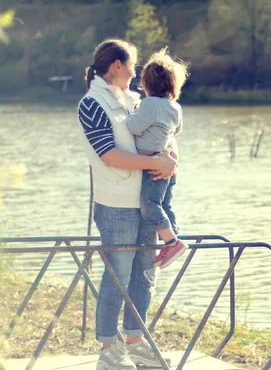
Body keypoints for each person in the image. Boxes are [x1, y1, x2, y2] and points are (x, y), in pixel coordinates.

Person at [77, 39, 176, 370]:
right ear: (116, 66)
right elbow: (110, 155)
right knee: (117, 276)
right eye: (132, 65)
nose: (135, 73)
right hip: (116, 206)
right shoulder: (91, 104)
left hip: (146, 204)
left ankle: (135, 343)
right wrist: (154, 164)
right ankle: (108, 349)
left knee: (144, 274)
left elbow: (164, 139)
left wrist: (171, 159)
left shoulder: (135, 100)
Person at [126, 48, 189, 270]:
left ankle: (172, 242)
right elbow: (177, 131)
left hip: (153, 166)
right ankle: (174, 236)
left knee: (150, 205)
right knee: (165, 203)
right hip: (168, 165)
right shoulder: (175, 107)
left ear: (146, 84)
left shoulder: (150, 104)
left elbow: (133, 127)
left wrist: (134, 112)